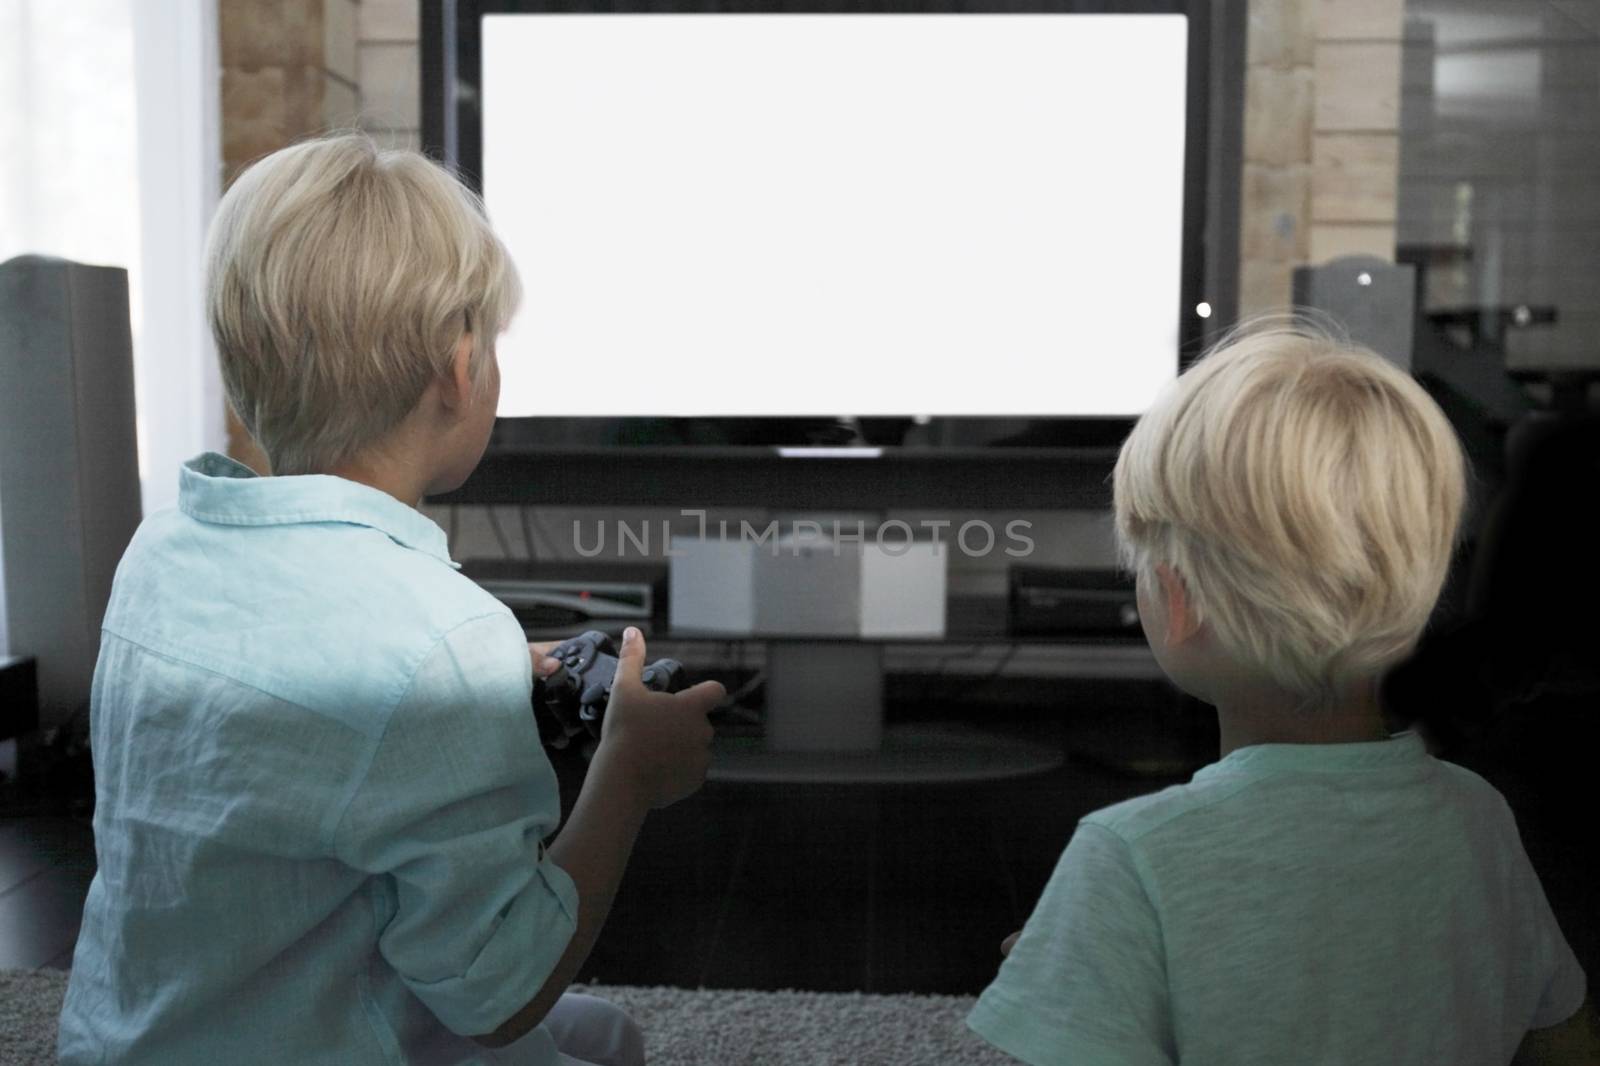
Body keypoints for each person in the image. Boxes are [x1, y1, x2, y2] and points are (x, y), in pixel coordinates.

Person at [57, 132, 724, 1064]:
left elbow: (283, 723)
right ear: (460, 369)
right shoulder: (438, 641)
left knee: (596, 1032)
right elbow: (501, 992)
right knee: (603, 1042)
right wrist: (628, 776)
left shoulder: (159, 552)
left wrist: (490, 679)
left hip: (138, 1040)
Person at [968, 323, 1595, 1065]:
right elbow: (1563, 1041)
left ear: (1176, 601)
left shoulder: (1130, 855)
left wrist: (1069, 974)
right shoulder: (1478, 818)